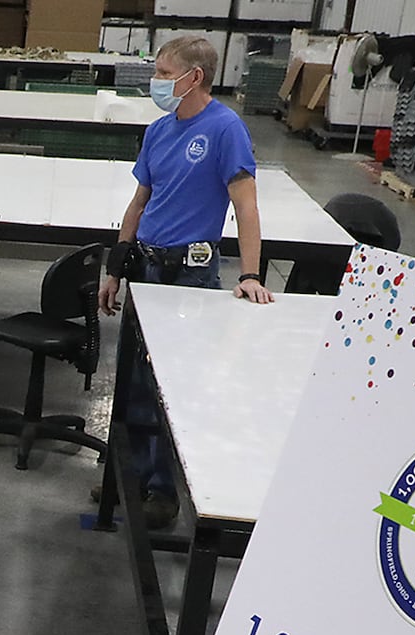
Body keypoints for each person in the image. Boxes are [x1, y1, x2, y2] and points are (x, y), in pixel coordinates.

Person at [97, 36, 273, 530]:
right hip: (147, 269)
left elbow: (246, 206)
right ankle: (129, 478)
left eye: (163, 71)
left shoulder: (225, 129)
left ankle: (164, 491)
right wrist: (116, 266)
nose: (156, 81)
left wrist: (252, 275)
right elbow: (139, 203)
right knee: (133, 381)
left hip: (190, 273)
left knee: (172, 387)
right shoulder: (158, 131)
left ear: (193, 77)